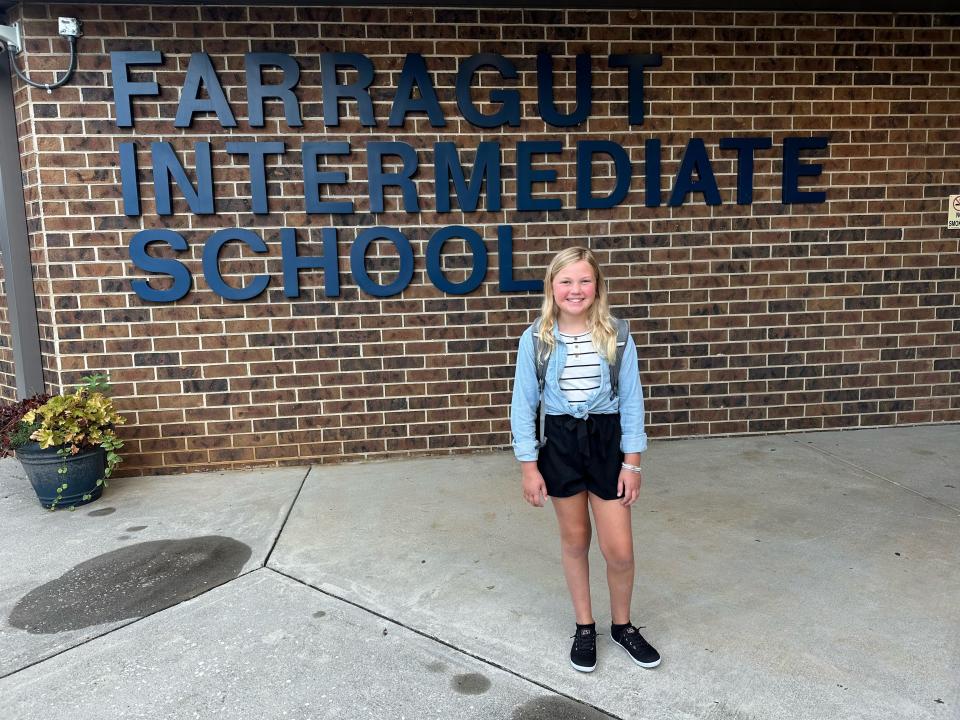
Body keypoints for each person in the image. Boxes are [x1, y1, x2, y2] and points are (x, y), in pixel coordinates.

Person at [510, 246, 661, 673]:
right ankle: (584, 626)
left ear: (597, 287)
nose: (575, 290)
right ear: (551, 287)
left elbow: (632, 402)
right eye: (566, 281)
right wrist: (529, 466)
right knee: (575, 541)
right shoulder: (536, 339)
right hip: (559, 443)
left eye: (584, 280)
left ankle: (622, 625)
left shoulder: (617, 334)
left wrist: (631, 463)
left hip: (606, 443)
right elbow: (523, 406)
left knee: (620, 551)